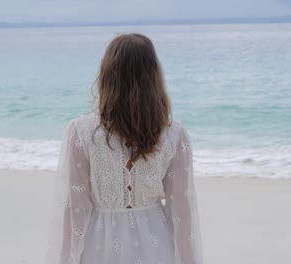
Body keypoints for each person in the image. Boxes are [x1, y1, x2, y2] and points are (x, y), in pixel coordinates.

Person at [46, 33, 203, 264]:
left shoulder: (81, 132)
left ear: (107, 74)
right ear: (153, 75)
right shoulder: (174, 134)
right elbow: (181, 210)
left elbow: (75, 210)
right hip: (155, 242)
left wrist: (67, 260)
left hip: (99, 244)